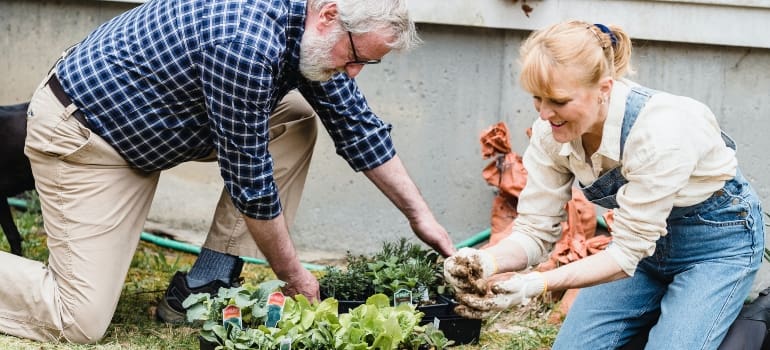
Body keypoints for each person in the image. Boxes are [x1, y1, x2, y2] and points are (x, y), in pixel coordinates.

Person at [6, 0, 455, 344]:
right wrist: (294, 276)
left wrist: (422, 219)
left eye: (366, 63)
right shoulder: (245, 43)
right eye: (357, 57)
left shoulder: (310, 29)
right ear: (330, 16)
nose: (354, 73)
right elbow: (252, 184)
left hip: (151, 127)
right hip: (88, 136)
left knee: (296, 117)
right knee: (78, 319)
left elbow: (358, 126)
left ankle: (204, 283)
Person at [443, 20, 764, 349]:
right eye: (537, 98)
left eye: (559, 100)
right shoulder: (550, 136)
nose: (544, 113)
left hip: (716, 248)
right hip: (645, 254)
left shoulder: (660, 132)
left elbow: (624, 255)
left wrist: (535, 283)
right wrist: (486, 262)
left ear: (604, 89)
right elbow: (534, 232)